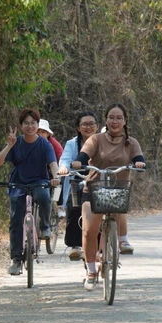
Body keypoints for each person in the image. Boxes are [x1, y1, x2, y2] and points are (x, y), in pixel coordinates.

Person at [71, 103, 146, 291]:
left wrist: (139, 163)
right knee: (89, 231)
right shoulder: (95, 140)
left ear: (125, 121)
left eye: (119, 118)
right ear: (106, 120)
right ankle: (90, 271)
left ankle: (122, 239)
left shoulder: (131, 142)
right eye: (111, 117)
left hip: (118, 190)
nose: (115, 121)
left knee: (118, 204)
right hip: (94, 189)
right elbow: (83, 154)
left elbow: (139, 158)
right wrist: (79, 162)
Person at [0, 109, 60, 275]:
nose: (30, 126)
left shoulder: (45, 144)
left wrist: (56, 177)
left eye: (33, 123)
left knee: (44, 197)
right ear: (21, 126)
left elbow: (53, 164)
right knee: (16, 219)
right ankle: (16, 260)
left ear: (38, 126)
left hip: (39, 181)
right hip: (18, 182)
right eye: (26, 123)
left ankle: (44, 226)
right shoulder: (16, 143)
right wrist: (9, 146)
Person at [57, 111, 99, 261]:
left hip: (99, 181)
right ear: (78, 128)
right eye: (84, 124)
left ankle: (102, 243)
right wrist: (64, 167)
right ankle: (75, 245)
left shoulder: (104, 141)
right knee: (74, 206)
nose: (88, 127)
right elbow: (65, 159)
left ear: (97, 126)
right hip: (78, 179)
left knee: (102, 210)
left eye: (91, 124)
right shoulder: (71, 144)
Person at [38, 119, 65, 217]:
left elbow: (62, 159)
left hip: (53, 169)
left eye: (43, 131)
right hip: (37, 171)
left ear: (48, 134)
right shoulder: (31, 143)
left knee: (60, 179)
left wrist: (58, 173)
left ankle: (59, 204)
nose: (40, 134)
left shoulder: (54, 145)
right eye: (38, 131)